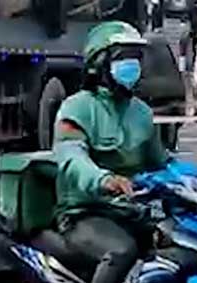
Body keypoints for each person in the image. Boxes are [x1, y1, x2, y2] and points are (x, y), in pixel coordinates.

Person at [52, 21, 170, 283]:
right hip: (86, 214)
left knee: (176, 244)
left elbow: (160, 162)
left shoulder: (141, 112)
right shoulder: (77, 108)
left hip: (131, 212)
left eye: (136, 58)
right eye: (123, 58)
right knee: (121, 251)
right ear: (100, 63)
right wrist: (105, 180)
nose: (132, 66)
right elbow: (72, 158)